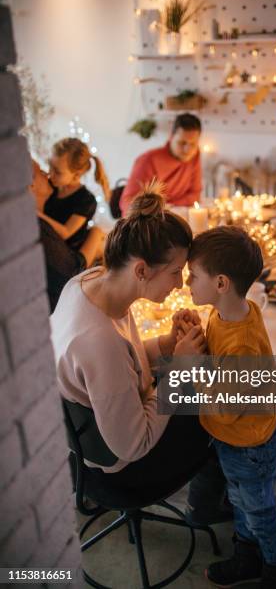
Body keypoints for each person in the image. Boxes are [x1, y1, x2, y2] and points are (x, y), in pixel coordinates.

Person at [51, 182, 211, 493]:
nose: (179, 285)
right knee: (225, 406)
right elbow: (135, 445)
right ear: (141, 270)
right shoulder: (98, 342)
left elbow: (125, 361)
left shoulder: (89, 281)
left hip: (92, 437)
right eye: (175, 271)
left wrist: (165, 345)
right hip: (123, 471)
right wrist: (178, 371)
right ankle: (213, 506)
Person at [185, 226, 276, 589]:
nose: (186, 282)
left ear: (220, 283)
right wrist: (196, 335)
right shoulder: (225, 313)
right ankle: (246, 558)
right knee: (241, 503)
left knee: (260, 512)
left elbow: (227, 407)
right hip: (233, 440)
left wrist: (193, 367)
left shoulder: (243, 343)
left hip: (249, 444)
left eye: (193, 275)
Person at [31, 159, 104, 312]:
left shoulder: (75, 198)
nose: (47, 174)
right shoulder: (37, 227)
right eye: (41, 172)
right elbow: (71, 272)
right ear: (31, 186)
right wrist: (95, 238)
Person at [120, 113, 202, 214]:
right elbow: (128, 203)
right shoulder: (148, 160)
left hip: (173, 215)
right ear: (171, 137)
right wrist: (164, 208)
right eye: (182, 143)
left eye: (193, 144)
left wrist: (169, 206)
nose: (187, 150)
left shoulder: (194, 155)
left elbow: (195, 194)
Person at [39, 138, 110, 251]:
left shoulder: (86, 200)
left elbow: (66, 233)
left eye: (57, 172)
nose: (50, 173)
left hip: (66, 252)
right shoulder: (51, 184)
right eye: (50, 165)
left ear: (76, 175)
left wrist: (36, 214)